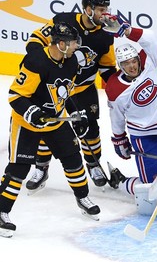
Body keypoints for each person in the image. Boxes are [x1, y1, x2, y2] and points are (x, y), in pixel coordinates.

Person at [0, 22, 100, 238]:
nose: (77, 46)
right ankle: (1, 212)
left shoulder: (71, 61)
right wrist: (33, 113)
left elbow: (64, 94)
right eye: (74, 42)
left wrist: (76, 114)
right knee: (18, 170)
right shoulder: (36, 61)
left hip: (54, 121)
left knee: (73, 160)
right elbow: (15, 95)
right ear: (61, 43)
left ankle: (82, 198)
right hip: (27, 124)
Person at [25, 0, 117, 191]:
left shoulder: (106, 35)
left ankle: (93, 164)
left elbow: (107, 66)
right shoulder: (63, 20)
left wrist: (117, 86)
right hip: (54, 88)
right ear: (88, 9)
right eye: (101, 9)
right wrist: (39, 64)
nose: (105, 13)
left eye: (106, 9)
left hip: (83, 89)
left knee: (91, 129)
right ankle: (41, 167)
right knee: (46, 125)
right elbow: (35, 40)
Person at [103, 21, 157, 194]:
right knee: (151, 188)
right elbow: (117, 117)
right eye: (126, 63)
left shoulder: (148, 62)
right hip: (145, 138)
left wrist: (127, 31)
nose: (132, 66)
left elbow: (152, 39)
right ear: (120, 66)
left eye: (134, 61)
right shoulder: (115, 88)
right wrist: (119, 139)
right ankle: (120, 182)